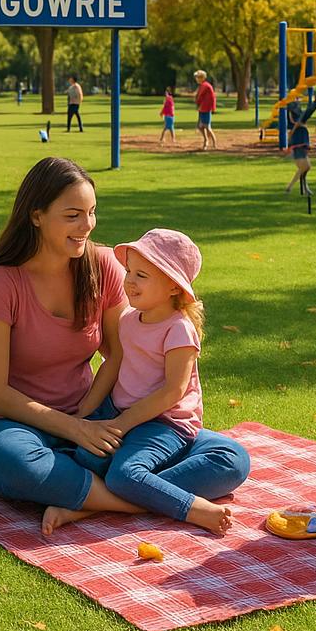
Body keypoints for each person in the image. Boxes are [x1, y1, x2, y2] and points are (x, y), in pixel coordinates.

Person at [0, 157, 250, 537]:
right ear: (36, 216)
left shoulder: (103, 266)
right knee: (20, 464)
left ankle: (90, 501)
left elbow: (121, 353)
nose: (87, 226)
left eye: (92, 212)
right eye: (73, 215)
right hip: (13, 425)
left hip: (98, 415)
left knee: (231, 458)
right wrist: (74, 428)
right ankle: (140, 499)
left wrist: (97, 420)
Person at [57, 228, 241, 535]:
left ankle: (191, 509)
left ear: (172, 286)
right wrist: (82, 416)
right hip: (125, 416)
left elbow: (173, 391)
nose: (129, 280)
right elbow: (113, 367)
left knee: (123, 475)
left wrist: (122, 424)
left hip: (165, 422)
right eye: (129, 271)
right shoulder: (129, 319)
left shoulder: (178, 330)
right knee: (85, 455)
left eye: (142, 275)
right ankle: (137, 494)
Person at [285, 117, 311, 196]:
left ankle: (303, 188)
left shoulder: (301, 129)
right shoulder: (296, 129)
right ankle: (291, 186)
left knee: (306, 168)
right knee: (304, 168)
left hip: (300, 149)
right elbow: (291, 139)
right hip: (297, 150)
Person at [193, 70, 217, 150]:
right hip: (201, 109)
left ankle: (214, 143)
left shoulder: (207, 86)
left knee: (207, 127)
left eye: (197, 77)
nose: (196, 79)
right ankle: (206, 140)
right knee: (200, 127)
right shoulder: (201, 86)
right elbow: (199, 97)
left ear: (201, 78)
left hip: (206, 109)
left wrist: (213, 108)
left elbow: (212, 98)